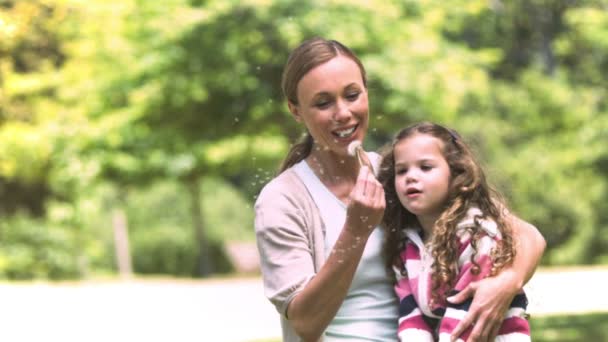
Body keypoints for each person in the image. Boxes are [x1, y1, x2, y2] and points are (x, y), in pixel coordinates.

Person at [254, 37, 545, 342]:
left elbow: (528, 237)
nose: (343, 113)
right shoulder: (283, 200)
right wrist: (355, 231)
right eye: (323, 103)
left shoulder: (399, 174)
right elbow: (306, 323)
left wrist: (507, 281)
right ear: (296, 110)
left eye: (352, 95)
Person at [377, 122, 531, 341]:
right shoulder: (406, 245)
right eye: (402, 170)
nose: (411, 176)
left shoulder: (476, 234)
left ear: (456, 173)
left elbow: (467, 318)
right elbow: (411, 313)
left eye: (425, 167)